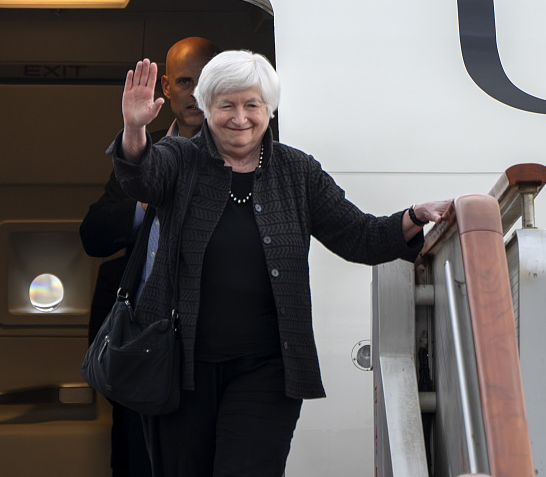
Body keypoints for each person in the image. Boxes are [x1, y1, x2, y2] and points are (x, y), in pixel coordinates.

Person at [109, 51, 451, 477]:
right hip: (178, 371)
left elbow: (358, 235)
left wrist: (413, 216)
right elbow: (140, 177)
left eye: (252, 105)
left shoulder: (297, 172)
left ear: (268, 109)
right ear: (207, 107)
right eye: (226, 105)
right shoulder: (179, 159)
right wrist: (135, 128)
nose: (240, 118)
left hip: (267, 369)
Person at [81, 37, 220, 477]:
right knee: (135, 460)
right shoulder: (140, 149)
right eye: (184, 81)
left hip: (209, 342)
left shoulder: (241, 151)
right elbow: (94, 234)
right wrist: (148, 198)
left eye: (206, 81)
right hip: (140, 341)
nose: (195, 93)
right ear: (166, 86)